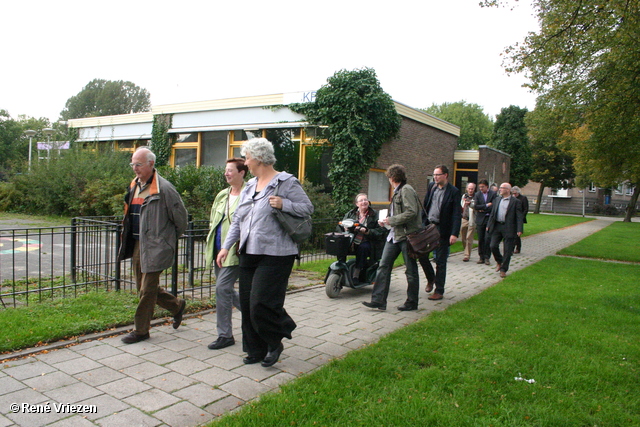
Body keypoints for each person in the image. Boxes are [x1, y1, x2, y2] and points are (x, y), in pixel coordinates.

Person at [216, 138, 313, 368]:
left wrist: (284, 204)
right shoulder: (250, 185)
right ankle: (254, 349)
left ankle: (274, 341)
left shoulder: (286, 182)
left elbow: (307, 208)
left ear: (259, 158)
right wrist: (226, 246)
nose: (246, 162)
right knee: (249, 304)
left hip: (277, 253)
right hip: (249, 251)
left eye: (247, 158)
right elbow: (238, 219)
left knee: (261, 302)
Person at [118, 147, 188, 344]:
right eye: (132, 164)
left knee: (146, 290)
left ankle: (141, 331)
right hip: (138, 243)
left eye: (138, 164)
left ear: (151, 164)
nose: (135, 168)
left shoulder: (164, 189)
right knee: (144, 287)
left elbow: (180, 219)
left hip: (156, 246)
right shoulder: (134, 185)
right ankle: (176, 306)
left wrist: (167, 240)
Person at [362, 164, 422, 311]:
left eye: (389, 177)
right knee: (383, 266)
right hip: (394, 235)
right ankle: (379, 301)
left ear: (393, 177)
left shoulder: (406, 190)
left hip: (407, 236)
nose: (388, 180)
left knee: (410, 270)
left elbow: (412, 212)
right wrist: (386, 220)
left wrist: (391, 220)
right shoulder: (398, 191)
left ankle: (412, 302)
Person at [204, 158, 248, 350]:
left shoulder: (248, 194)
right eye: (225, 170)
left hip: (235, 251)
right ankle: (254, 313)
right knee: (227, 290)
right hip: (218, 249)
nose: (226, 173)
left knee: (222, 289)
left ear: (242, 173)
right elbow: (213, 220)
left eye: (230, 170)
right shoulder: (222, 195)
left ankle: (225, 335)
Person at [418, 165, 462, 301]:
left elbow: (456, 214)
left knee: (441, 261)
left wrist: (454, 233)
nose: (435, 177)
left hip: (443, 230)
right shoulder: (431, 187)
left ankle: (439, 290)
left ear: (446, 175)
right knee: (421, 254)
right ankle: (431, 278)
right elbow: (426, 206)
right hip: (428, 227)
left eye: (438, 175)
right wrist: (421, 223)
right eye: (434, 175)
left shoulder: (453, 191)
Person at [341, 193, 387, 281]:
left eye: (365, 200)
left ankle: (357, 272)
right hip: (352, 240)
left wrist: (367, 231)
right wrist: (344, 228)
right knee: (340, 245)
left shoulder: (375, 214)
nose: (364, 202)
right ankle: (341, 268)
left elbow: (381, 231)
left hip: (369, 241)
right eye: (361, 200)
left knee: (363, 247)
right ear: (357, 204)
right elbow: (340, 225)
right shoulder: (351, 214)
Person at [487, 183, 524, 278]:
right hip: (497, 226)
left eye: (502, 188)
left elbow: (519, 216)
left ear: (508, 190)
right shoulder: (497, 200)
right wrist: (489, 225)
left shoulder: (515, 201)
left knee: (507, 250)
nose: (499, 189)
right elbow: (493, 213)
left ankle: (503, 269)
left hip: (509, 227)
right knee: (493, 246)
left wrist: (519, 229)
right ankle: (499, 261)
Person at [473, 179, 496, 265]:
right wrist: (486, 205)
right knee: (481, 239)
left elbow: (494, 206)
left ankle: (487, 257)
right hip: (480, 219)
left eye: (483, 187)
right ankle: (481, 257)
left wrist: (483, 209)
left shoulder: (493, 194)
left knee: (487, 238)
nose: (481, 188)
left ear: (487, 186)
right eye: (480, 187)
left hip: (489, 219)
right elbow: (476, 206)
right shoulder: (477, 194)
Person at [460, 182, 476, 262]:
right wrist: (465, 203)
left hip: (472, 219)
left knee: (469, 237)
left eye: (472, 189)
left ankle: (467, 255)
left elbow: (476, 207)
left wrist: (471, 204)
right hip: (464, 218)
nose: (470, 190)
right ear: (467, 189)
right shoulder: (464, 196)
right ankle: (465, 250)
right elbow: (461, 206)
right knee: (463, 237)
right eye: (469, 188)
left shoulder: (476, 197)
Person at [511, 186, 529, 254]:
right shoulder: (512, 198)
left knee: (517, 234)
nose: (514, 195)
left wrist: (521, 217)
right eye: (513, 193)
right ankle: (512, 248)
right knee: (512, 234)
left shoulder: (523, 198)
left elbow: (525, 209)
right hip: (512, 218)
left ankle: (517, 248)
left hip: (519, 218)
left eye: (515, 193)